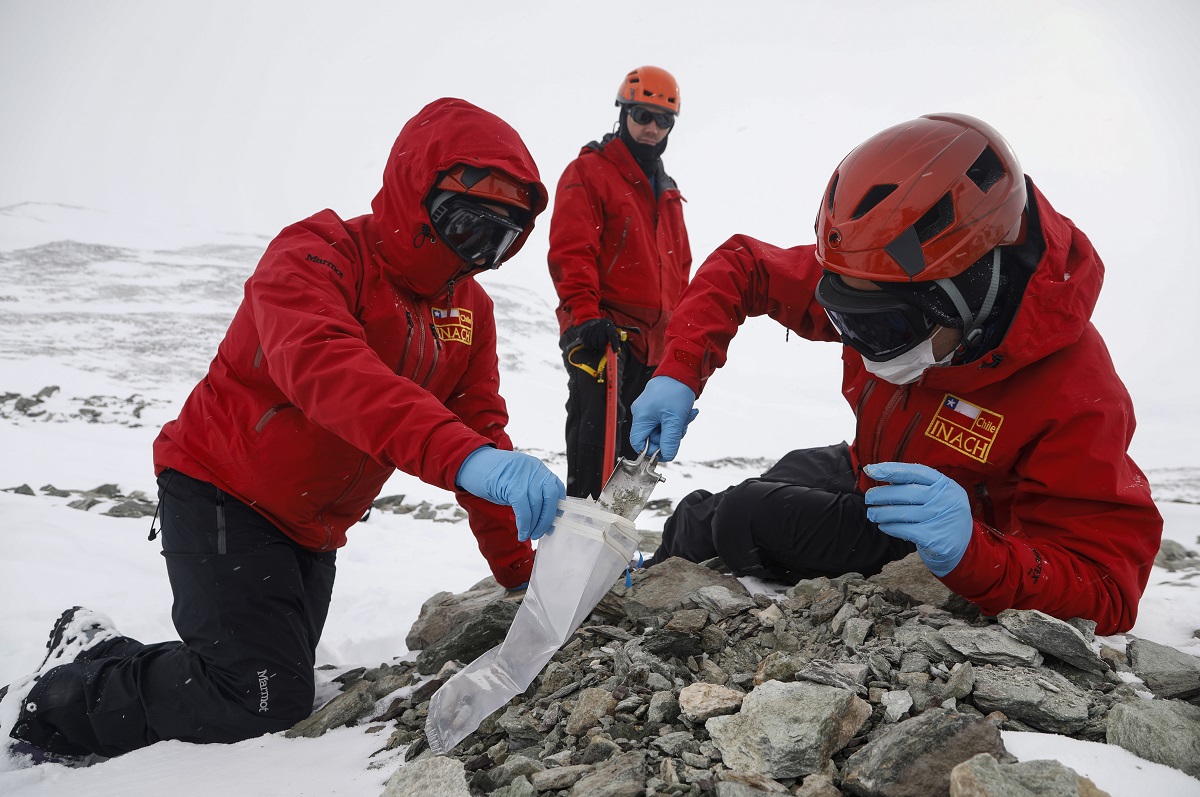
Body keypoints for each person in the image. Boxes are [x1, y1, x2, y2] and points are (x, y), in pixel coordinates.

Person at [1, 98, 566, 762]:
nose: (474, 253)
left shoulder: (469, 313)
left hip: (311, 525)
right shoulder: (318, 253)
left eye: (497, 240)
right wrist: (466, 456)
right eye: (465, 226)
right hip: (220, 490)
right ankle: (65, 694)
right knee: (261, 697)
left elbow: (480, 430)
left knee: (268, 675)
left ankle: (108, 655)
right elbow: (327, 368)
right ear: (418, 196)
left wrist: (523, 572)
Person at [630, 113, 1163, 636]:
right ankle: (642, 579)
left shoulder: (1076, 395)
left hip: (943, 539)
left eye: (882, 327)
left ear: (968, 293)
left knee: (738, 513)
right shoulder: (882, 276)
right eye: (842, 316)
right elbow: (745, 264)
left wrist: (973, 552)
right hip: (874, 468)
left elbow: (1108, 588)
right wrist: (678, 371)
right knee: (779, 475)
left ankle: (649, 596)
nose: (860, 346)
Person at [548, 65, 692, 499]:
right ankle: (574, 547)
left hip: (654, 344)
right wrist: (584, 318)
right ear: (623, 113)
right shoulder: (590, 172)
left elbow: (680, 269)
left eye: (662, 119)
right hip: (604, 334)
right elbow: (573, 252)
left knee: (634, 459)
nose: (651, 127)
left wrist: (679, 340)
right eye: (641, 115)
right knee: (595, 454)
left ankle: (612, 556)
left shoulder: (667, 190)